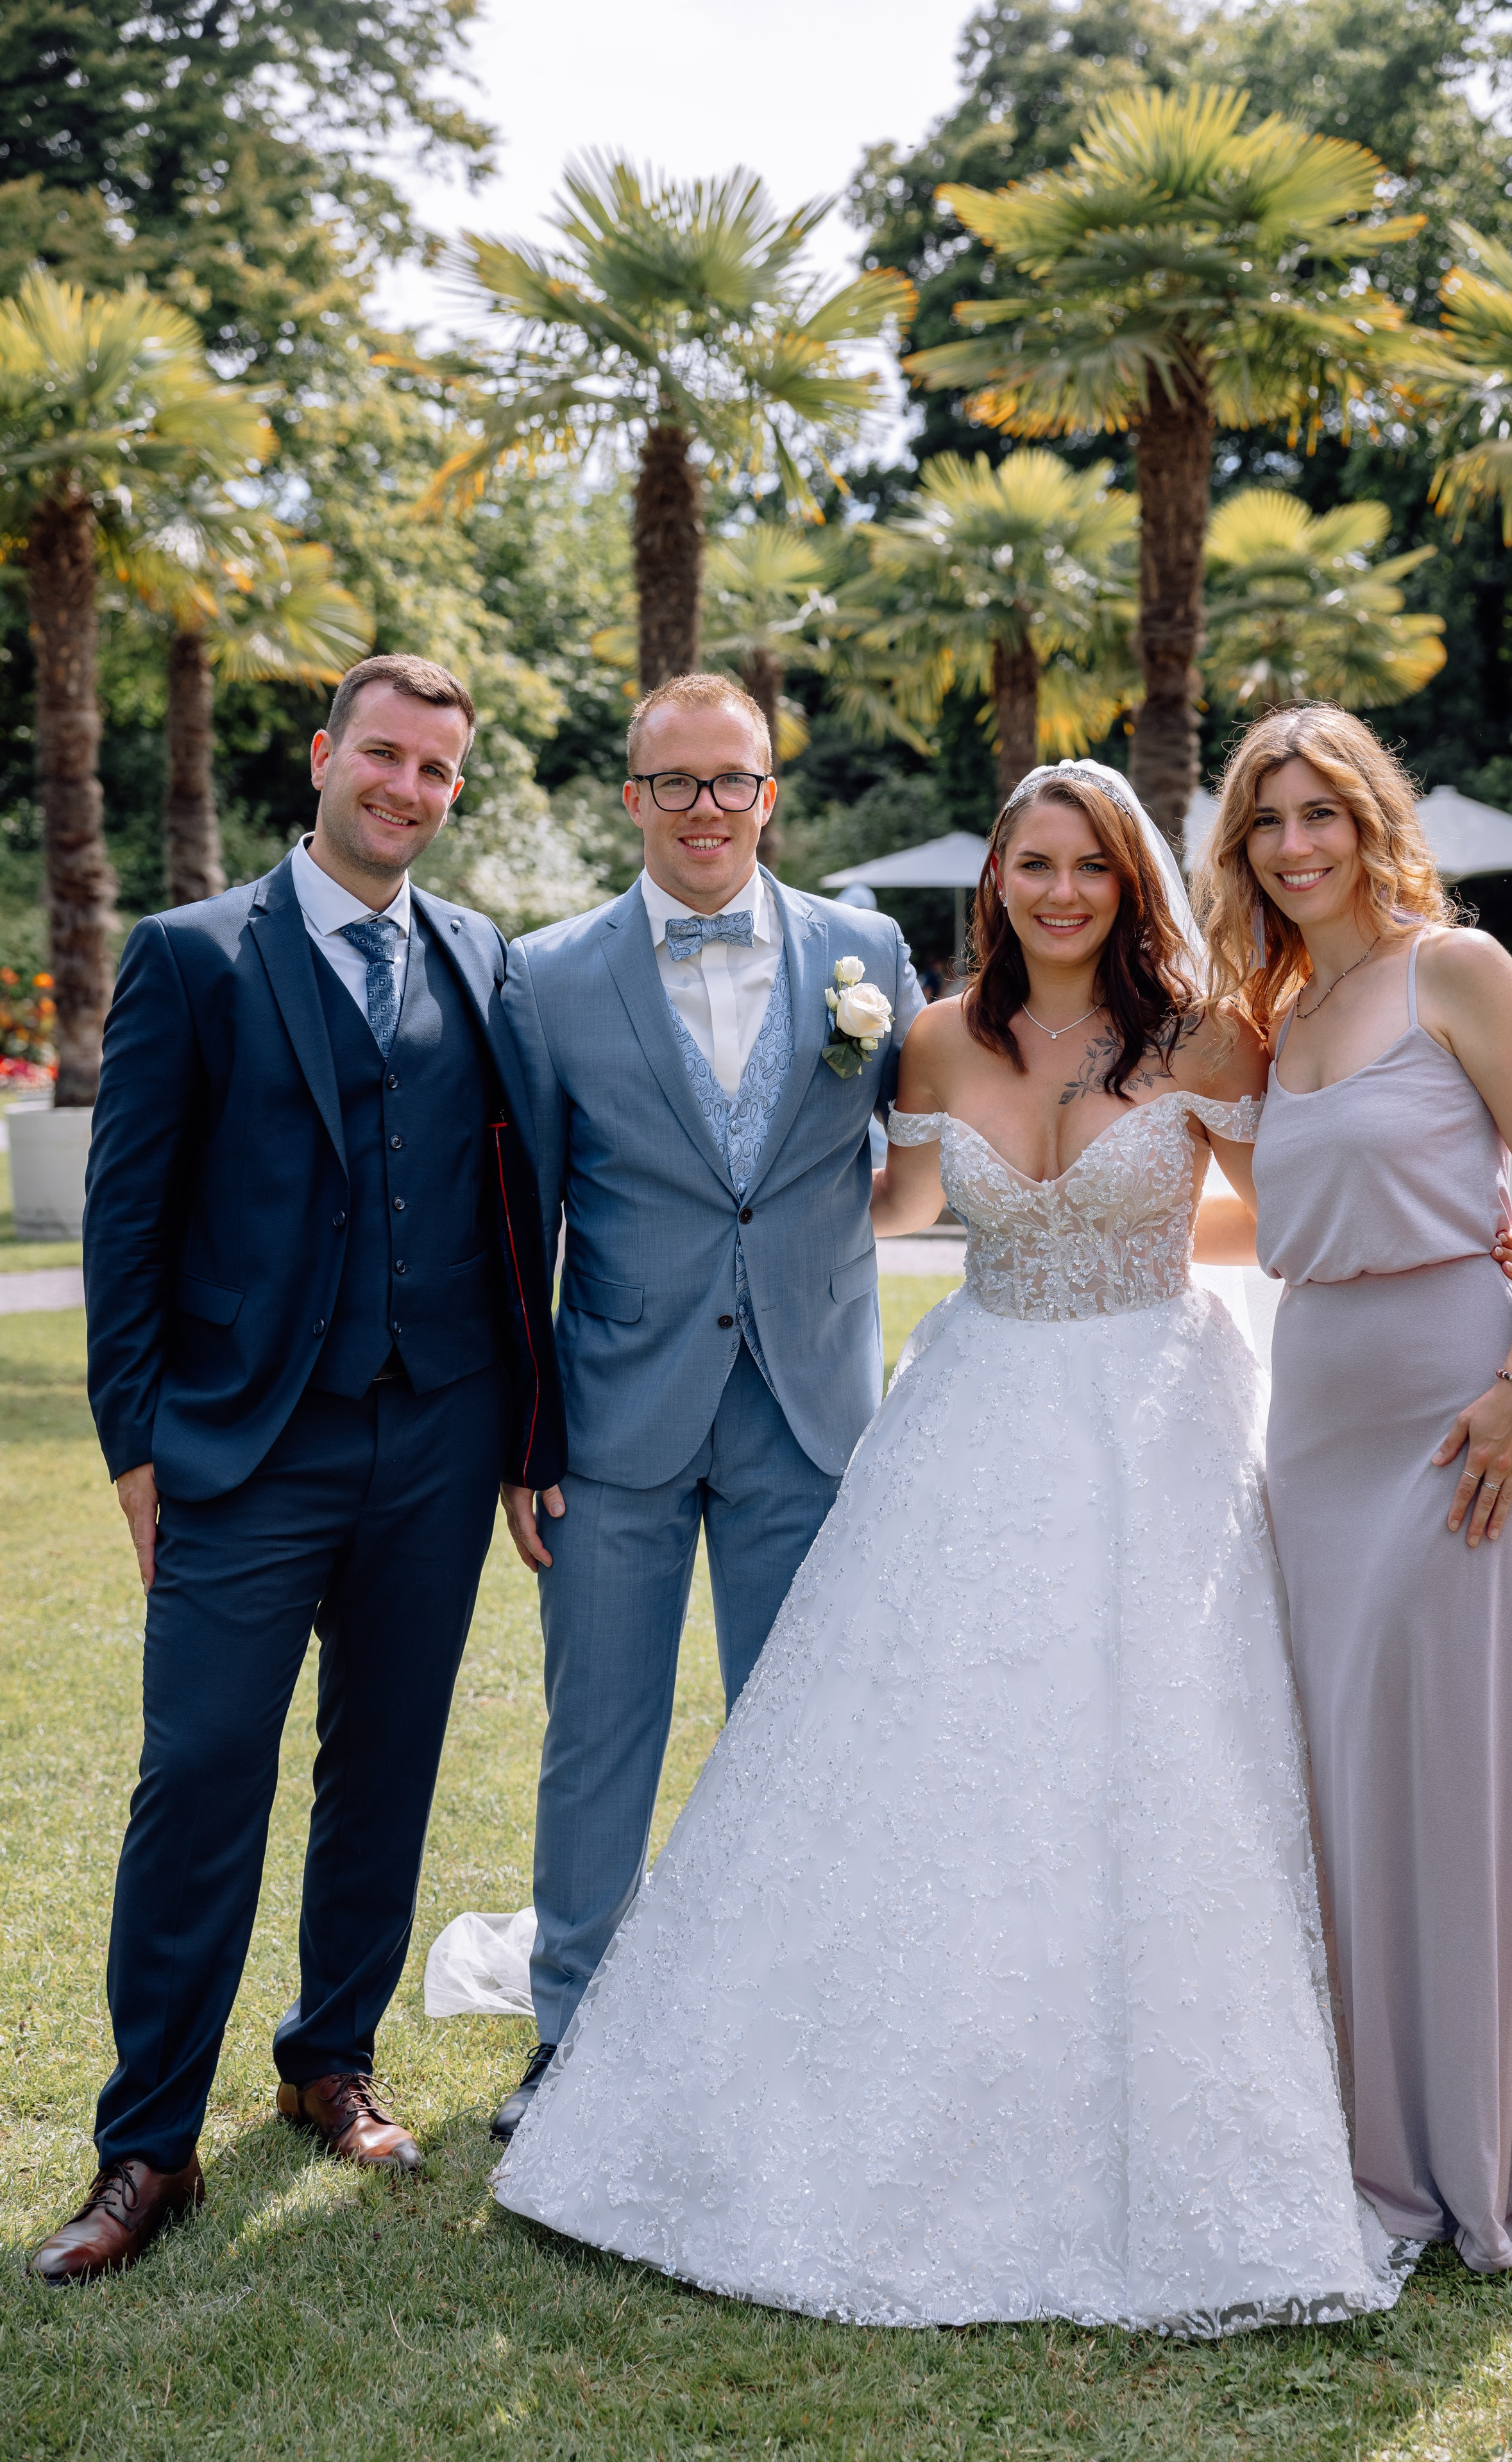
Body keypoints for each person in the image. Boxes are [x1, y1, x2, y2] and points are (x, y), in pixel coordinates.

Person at [486, 760, 1417, 2334]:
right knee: (928, 1744)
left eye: (1090, 866)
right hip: (975, 1405)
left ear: (1131, 882)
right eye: (1033, 864)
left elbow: (1283, 1212)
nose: (1060, 892)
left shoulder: (1206, 1036)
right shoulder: (924, 1035)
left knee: (1167, 1741)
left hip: (1156, 1409)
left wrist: (1419, 1228)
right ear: (995, 882)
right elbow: (894, 1201)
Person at [28, 655, 562, 2287]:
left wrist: (524, 1436)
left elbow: (513, 1207)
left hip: (437, 1431)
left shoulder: (480, 955)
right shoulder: (191, 953)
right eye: (383, 755)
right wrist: (135, 1443)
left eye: (436, 769)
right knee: (199, 1769)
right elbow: (125, 1218)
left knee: (385, 1762)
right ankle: (147, 2144)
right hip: (244, 1442)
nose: (407, 788)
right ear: (325, 756)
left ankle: (330, 2060)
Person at [485, 671, 922, 2145]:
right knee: (596, 1733)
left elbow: (950, 1131)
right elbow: (520, 1225)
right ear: (631, 797)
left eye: (729, 778)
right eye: (672, 781)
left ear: (767, 794)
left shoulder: (866, 952)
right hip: (612, 1422)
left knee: (800, 1735)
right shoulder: (546, 976)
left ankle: (798, 2020)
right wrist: (524, 1436)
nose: (702, 807)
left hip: (809, 1411)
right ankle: (570, 2030)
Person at [1196, 704, 1512, 2275]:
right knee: (1342, 1774)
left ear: (1371, 820)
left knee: (1450, 1769)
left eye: (1321, 811)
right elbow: (1270, 1217)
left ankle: (1479, 2148)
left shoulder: (1457, 970)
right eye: (1266, 820)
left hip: (1455, 1412)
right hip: (1313, 1419)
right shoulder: (1274, 1016)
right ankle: (1365, 2125)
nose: (1294, 843)